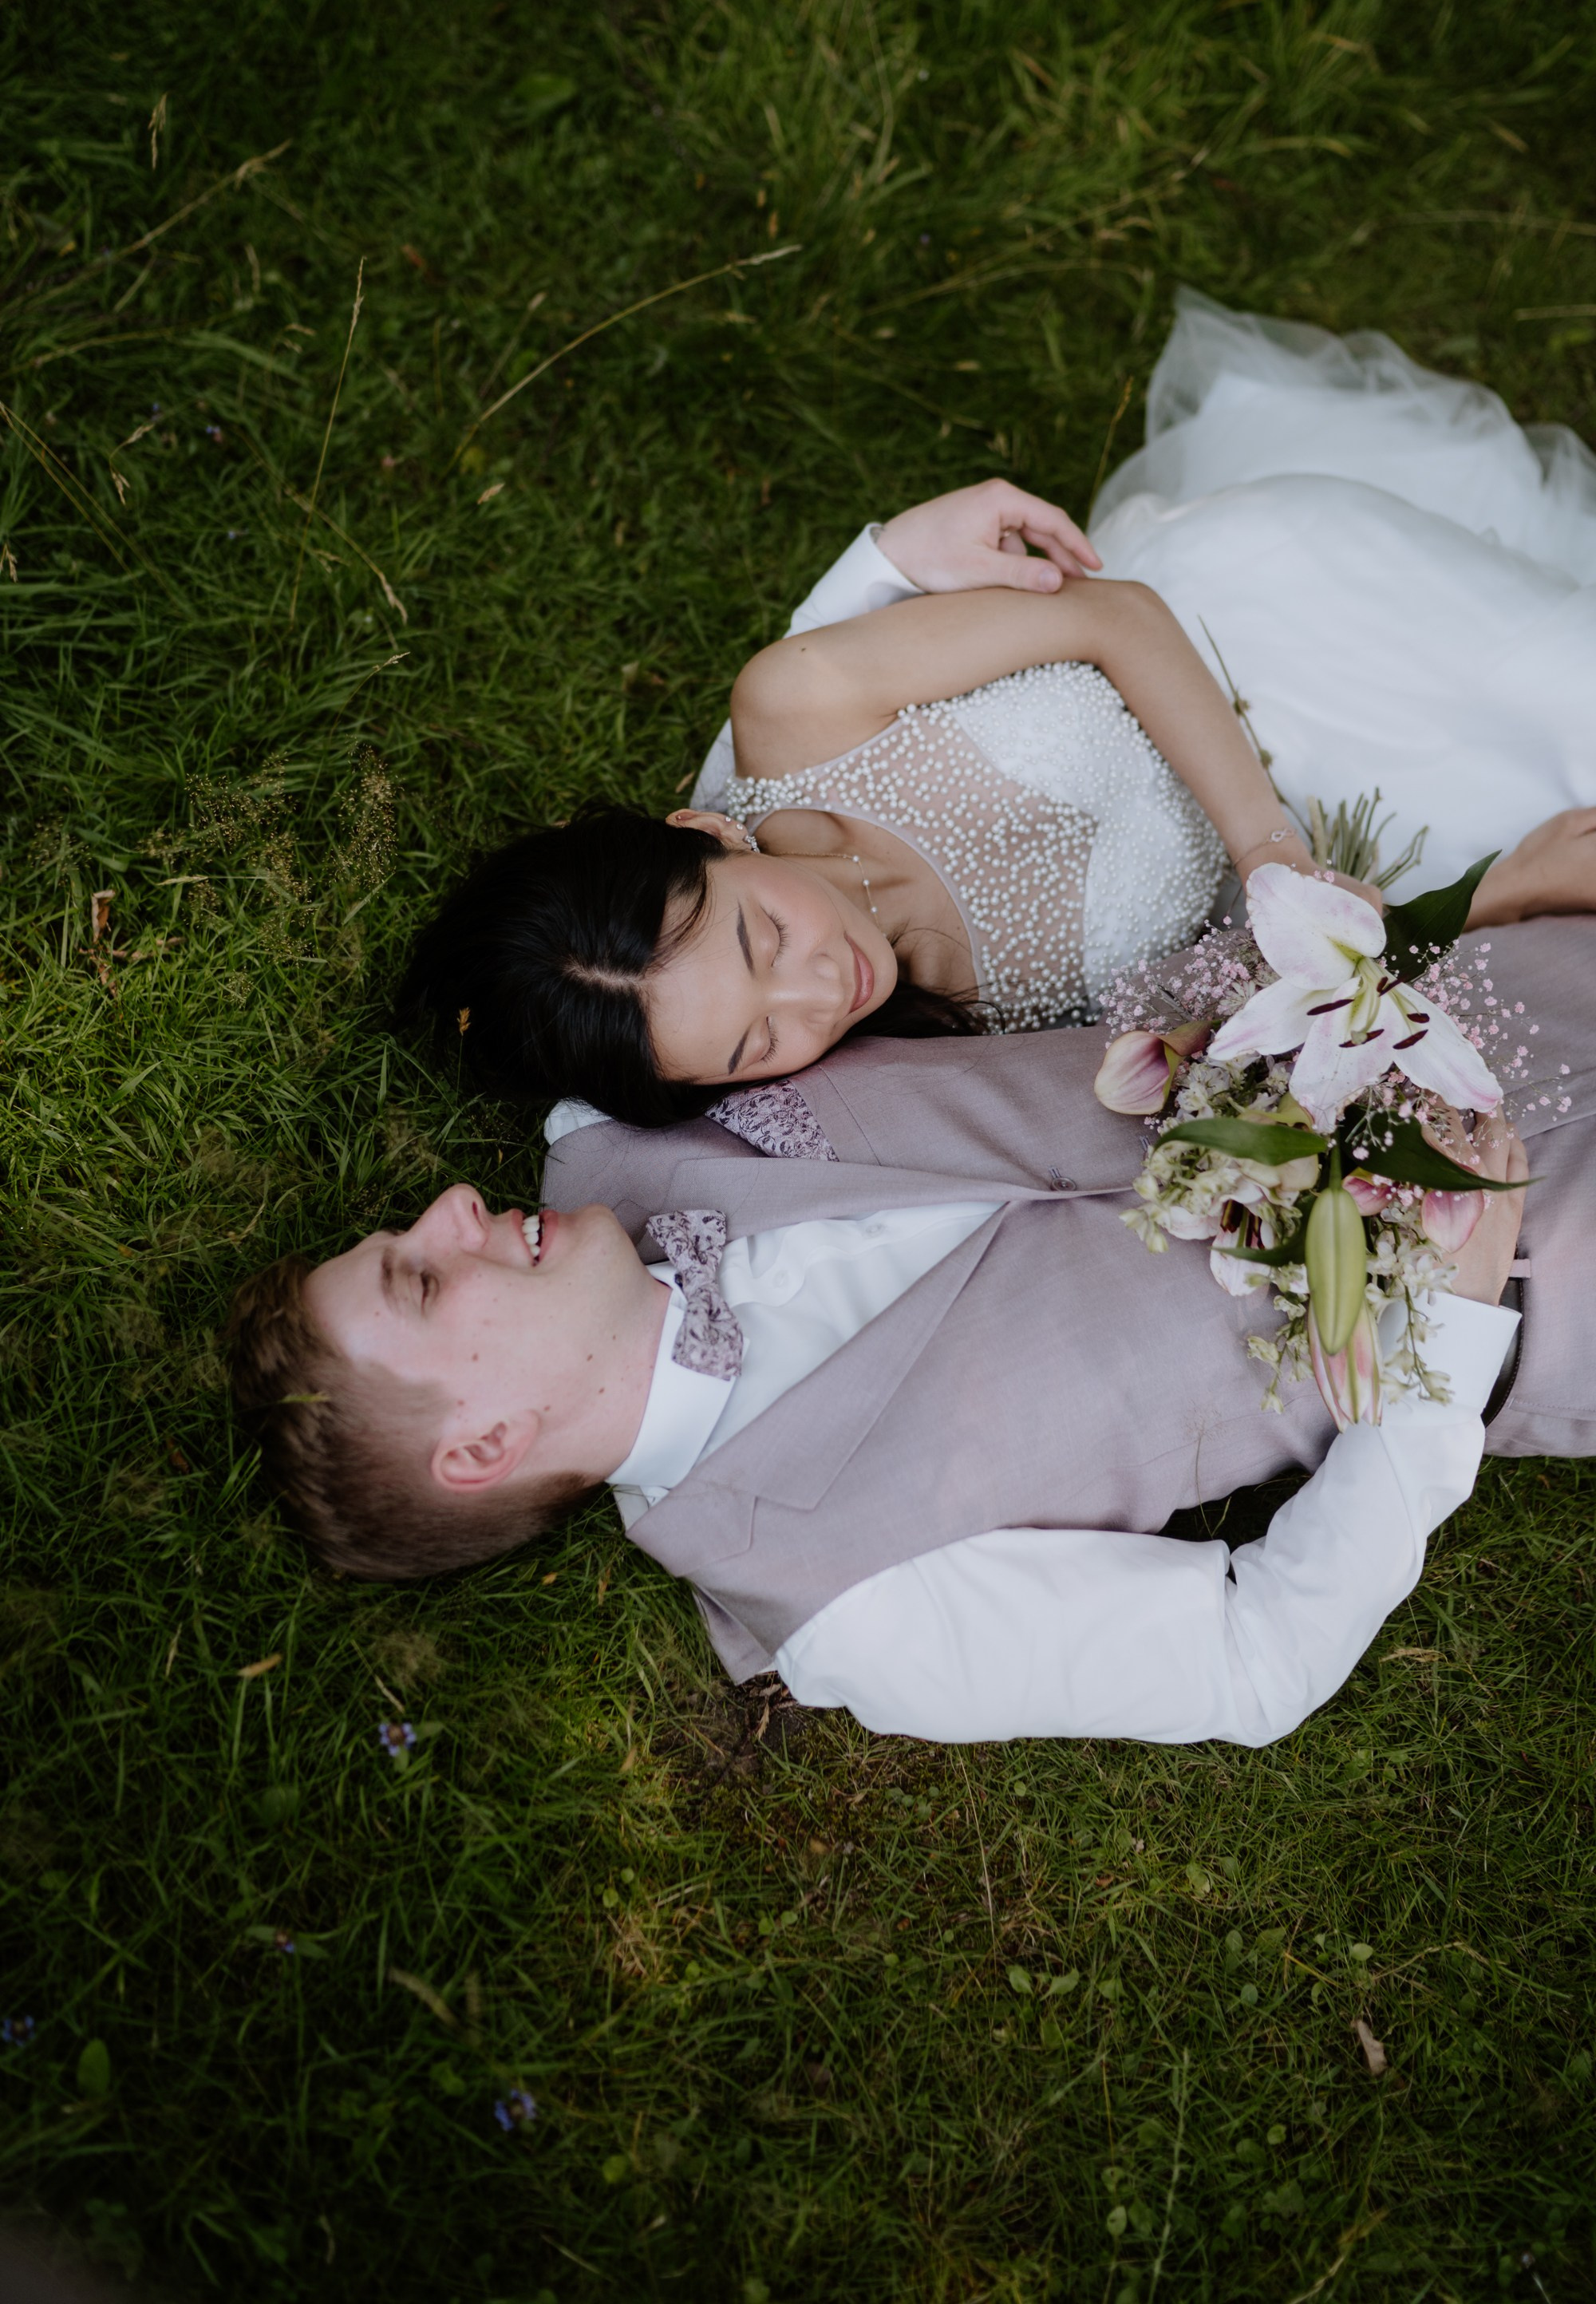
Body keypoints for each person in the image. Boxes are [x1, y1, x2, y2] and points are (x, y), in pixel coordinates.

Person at [227, 914, 1596, 1747]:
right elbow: (1255, 1664)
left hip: (1479, 999)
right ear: (485, 1448)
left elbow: (733, 850)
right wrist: (1450, 1347)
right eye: (421, 1280)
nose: (452, 1204)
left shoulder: (606, 1127)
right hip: (1536, 1274)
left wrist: (887, 564)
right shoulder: (842, 1612)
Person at [397, 292, 1596, 1127]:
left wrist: (1269, 852)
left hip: (1250, 632)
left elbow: (1111, 616)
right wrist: (1480, 895)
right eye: (756, 1046)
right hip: (1351, 850)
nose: (819, 996)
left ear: (708, 835)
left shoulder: (798, 711)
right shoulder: (914, 1062)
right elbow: (1202, 1025)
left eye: (764, 938)